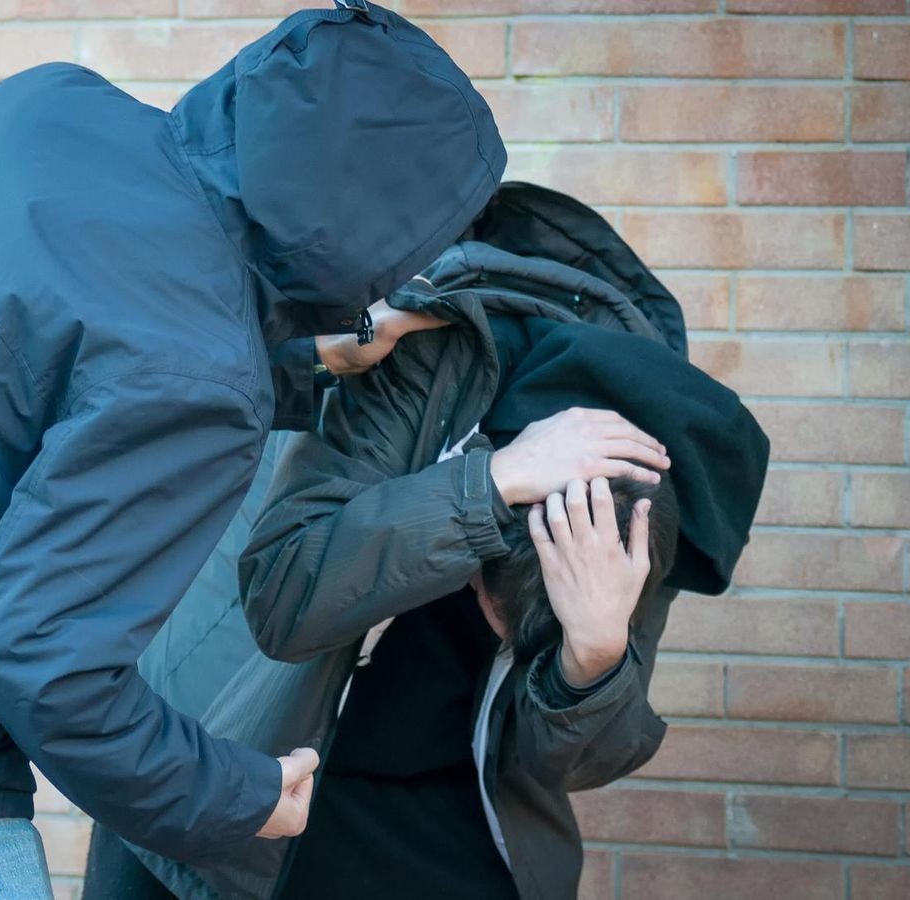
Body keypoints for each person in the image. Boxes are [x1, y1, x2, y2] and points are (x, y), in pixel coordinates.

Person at [0, 1, 506, 896]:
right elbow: (41, 663)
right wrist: (235, 797)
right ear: (378, 216)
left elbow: (65, 347)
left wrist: (299, 356)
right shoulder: (198, 375)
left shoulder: (44, 106)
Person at [89, 183, 769, 900]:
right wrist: (486, 486)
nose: (495, 630)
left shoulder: (641, 491)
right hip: (241, 724)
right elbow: (286, 597)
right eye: (493, 606)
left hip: (452, 800)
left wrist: (593, 657)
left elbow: (567, 760)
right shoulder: (411, 351)